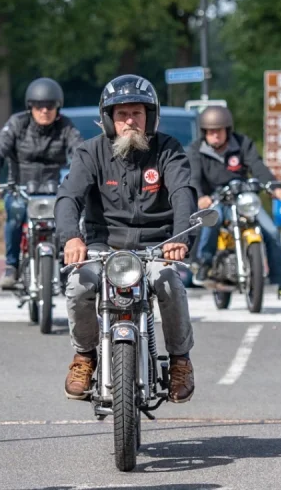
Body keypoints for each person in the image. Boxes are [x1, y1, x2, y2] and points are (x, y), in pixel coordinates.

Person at [55, 74, 198, 403]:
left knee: (169, 283)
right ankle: (84, 357)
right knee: (78, 286)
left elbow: (183, 195)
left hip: (157, 246)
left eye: (136, 113)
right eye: (121, 114)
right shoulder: (89, 152)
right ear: (108, 119)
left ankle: (180, 361)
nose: (129, 121)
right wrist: (71, 239)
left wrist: (180, 238)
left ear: (150, 116)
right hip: (102, 248)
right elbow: (68, 198)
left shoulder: (168, 150)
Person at [187, 106, 281, 299]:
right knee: (212, 221)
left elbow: (257, 166)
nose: (215, 135)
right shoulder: (196, 150)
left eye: (219, 130)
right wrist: (200, 197)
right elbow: (193, 178)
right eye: (210, 131)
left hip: (243, 198)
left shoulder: (242, 144)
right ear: (204, 132)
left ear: (227, 130)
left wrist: (274, 187)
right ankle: (204, 263)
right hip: (216, 199)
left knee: (272, 231)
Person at [0, 78, 84, 290]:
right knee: (16, 212)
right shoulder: (17, 123)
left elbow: (79, 153)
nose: (44, 110)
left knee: (68, 216)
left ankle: (66, 264)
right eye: (39, 106)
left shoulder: (66, 127)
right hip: (20, 188)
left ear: (58, 107)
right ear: (31, 107)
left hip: (53, 189)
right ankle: (11, 266)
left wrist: (82, 176)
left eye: (50, 106)